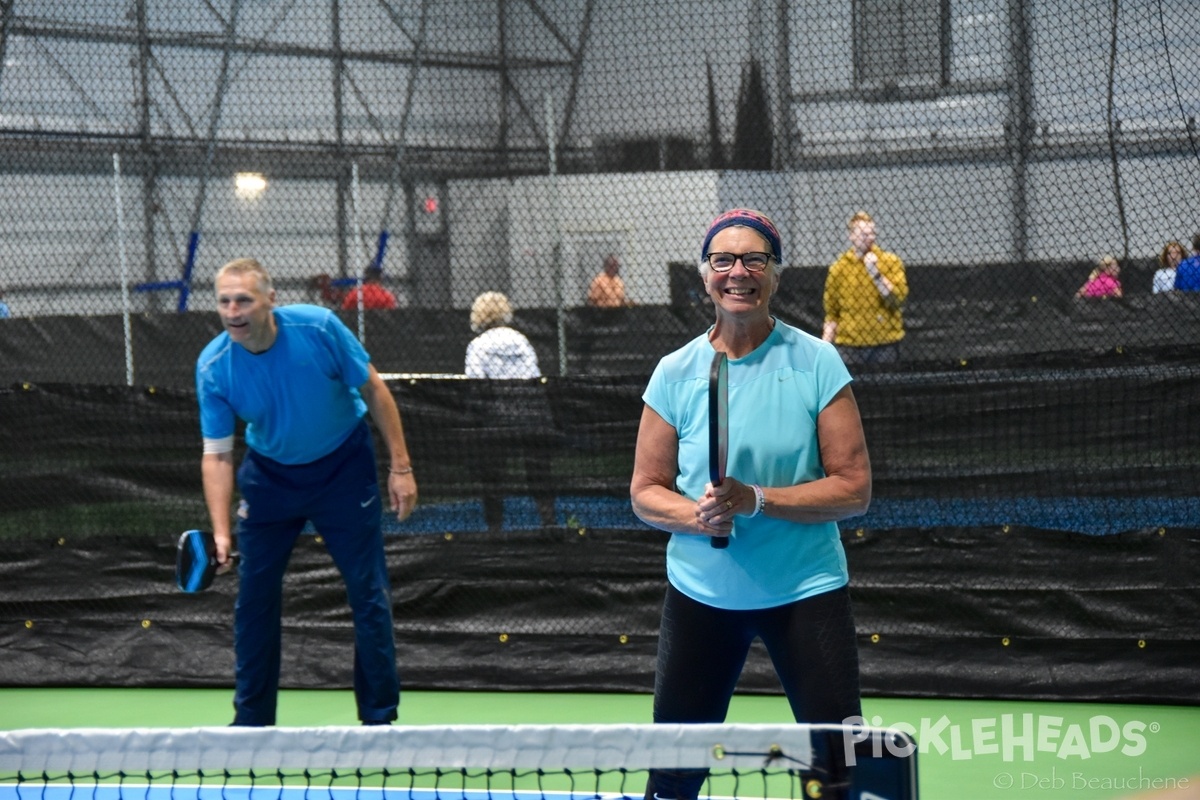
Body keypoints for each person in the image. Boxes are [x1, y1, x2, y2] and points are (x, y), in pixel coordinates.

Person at [630, 209, 870, 800]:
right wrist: (697, 514)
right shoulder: (674, 372)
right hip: (700, 598)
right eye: (724, 260)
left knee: (840, 768)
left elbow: (854, 487)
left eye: (754, 259)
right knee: (674, 773)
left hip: (806, 592)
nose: (738, 272)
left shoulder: (817, 361)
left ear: (775, 274)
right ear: (706, 273)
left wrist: (756, 499)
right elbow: (644, 490)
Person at [196, 257, 418, 727]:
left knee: (367, 591)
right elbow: (216, 455)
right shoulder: (214, 366)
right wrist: (219, 532)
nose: (233, 311)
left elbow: (374, 389)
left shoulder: (319, 328)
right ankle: (251, 723)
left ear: (270, 300)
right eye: (224, 301)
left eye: (244, 300)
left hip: (343, 466)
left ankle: (379, 719)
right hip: (270, 479)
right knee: (254, 598)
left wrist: (401, 467)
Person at [464, 291, 556, 530]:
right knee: (539, 471)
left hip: (498, 416)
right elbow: (533, 376)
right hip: (532, 411)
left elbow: (476, 382)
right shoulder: (520, 339)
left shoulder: (477, 345)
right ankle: (549, 523)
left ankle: (495, 530)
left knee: (492, 474)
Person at [821, 211, 908, 366]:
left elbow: (897, 300)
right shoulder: (839, 268)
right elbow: (832, 313)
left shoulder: (890, 262)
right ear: (852, 236)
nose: (870, 238)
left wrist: (875, 273)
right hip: (849, 348)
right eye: (863, 234)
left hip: (885, 345)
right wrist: (823, 349)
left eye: (872, 233)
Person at [465, 292, 541, 379]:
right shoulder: (520, 339)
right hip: (522, 390)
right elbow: (533, 372)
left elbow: (475, 378)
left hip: (491, 391)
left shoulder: (478, 345)